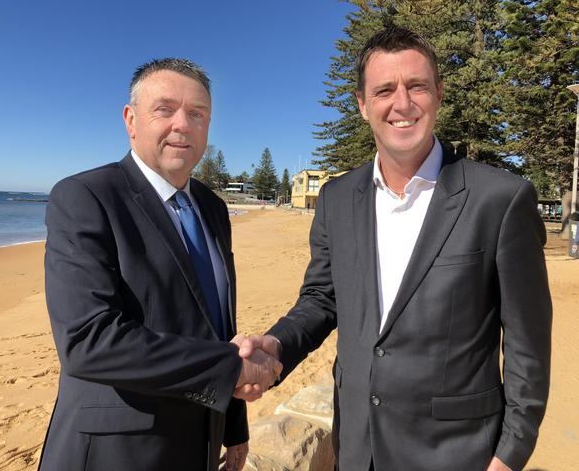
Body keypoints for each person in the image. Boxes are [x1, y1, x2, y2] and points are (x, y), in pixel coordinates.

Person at [237, 27, 552, 471]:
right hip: (357, 447)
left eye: (417, 86)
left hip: (457, 453)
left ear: (438, 94)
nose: (401, 104)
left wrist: (511, 453)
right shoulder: (337, 198)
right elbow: (322, 299)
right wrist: (276, 345)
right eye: (384, 90)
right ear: (363, 105)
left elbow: (528, 343)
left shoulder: (501, 198)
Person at [38, 58, 281, 471]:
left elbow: (217, 324)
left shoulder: (213, 208)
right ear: (131, 120)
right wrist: (229, 369)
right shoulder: (85, 197)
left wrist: (234, 426)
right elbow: (87, 342)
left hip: (200, 442)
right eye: (165, 110)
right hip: (116, 452)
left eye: (197, 114)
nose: (183, 124)